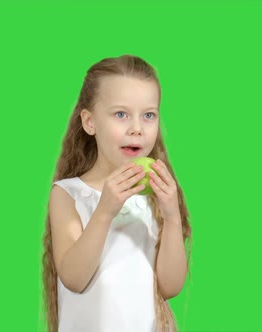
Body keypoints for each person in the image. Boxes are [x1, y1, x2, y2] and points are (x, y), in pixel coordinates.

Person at [41, 54, 193, 332]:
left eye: (148, 115)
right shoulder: (68, 194)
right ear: (90, 122)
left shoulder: (156, 198)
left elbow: (170, 287)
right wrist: (104, 211)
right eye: (121, 114)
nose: (136, 128)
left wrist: (172, 217)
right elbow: (74, 278)